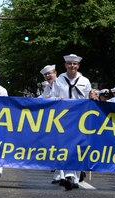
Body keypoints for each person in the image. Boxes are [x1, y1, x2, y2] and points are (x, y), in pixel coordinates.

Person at [51, 54, 91, 190]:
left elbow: (89, 100)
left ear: (78, 66)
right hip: (63, 118)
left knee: (77, 148)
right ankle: (66, 175)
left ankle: (75, 176)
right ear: (65, 65)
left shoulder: (85, 81)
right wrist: (57, 99)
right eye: (69, 64)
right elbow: (52, 97)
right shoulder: (59, 80)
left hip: (80, 118)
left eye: (74, 64)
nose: (72, 66)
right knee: (64, 147)